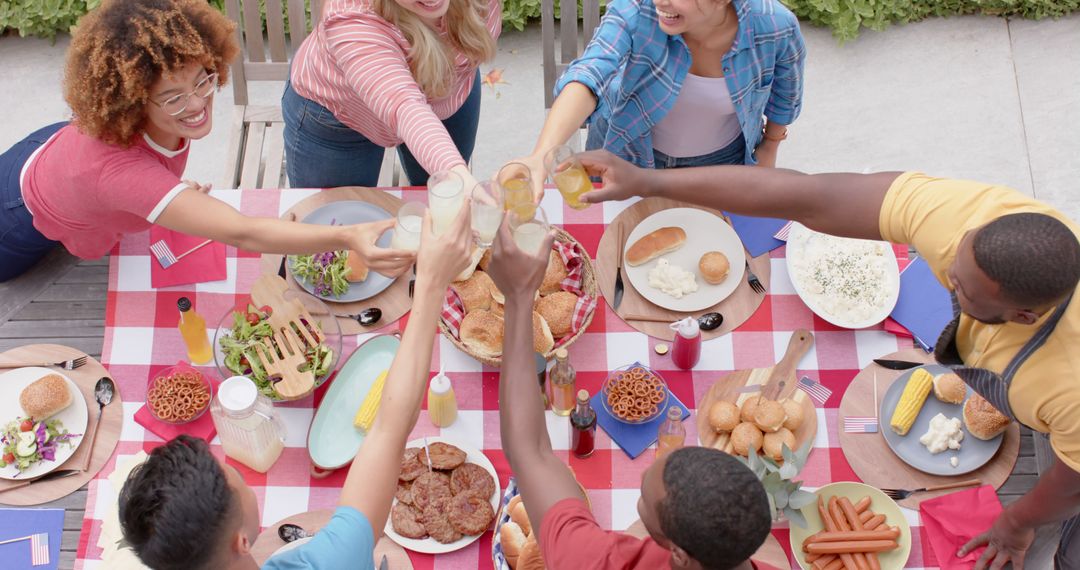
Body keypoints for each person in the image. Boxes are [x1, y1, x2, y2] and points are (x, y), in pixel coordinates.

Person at [574, 150, 1080, 570]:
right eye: (952, 263)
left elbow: (1072, 477)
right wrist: (648, 178)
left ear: (1024, 314)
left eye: (961, 287)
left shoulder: (1066, 383)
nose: (943, 276)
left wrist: (1016, 523)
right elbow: (806, 196)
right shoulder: (965, 219)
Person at [117, 204, 475, 570]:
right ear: (241, 541)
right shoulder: (332, 560)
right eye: (233, 477)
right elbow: (390, 427)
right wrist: (431, 281)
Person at [0, 0, 414, 283]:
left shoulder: (148, 120)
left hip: (50, 148)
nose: (198, 104)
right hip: (16, 218)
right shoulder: (118, 172)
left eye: (204, 79)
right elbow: (245, 233)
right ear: (131, 99)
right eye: (174, 97)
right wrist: (345, 237)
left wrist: (167, 194)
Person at [486, 221, 777, 569]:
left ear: (680, 554)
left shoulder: (600, 562)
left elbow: (529, 451)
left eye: (643, 497)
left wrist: (519, 297)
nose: (640, 477)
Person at [510, 0, 804, 198]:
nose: (660, 2)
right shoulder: (635, 10)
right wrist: (540, 156)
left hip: (719, 164)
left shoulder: (775, 25)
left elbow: (784, 94)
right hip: (624, 153)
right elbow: (590, 73)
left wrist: (770, 146)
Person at [282, 0, 499, 188]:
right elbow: (405, 107)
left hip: (446, 92)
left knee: (440, 203)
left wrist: (457, 179)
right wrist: (461, 181)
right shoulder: (350, 13)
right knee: (339, 221)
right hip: (340, 116)